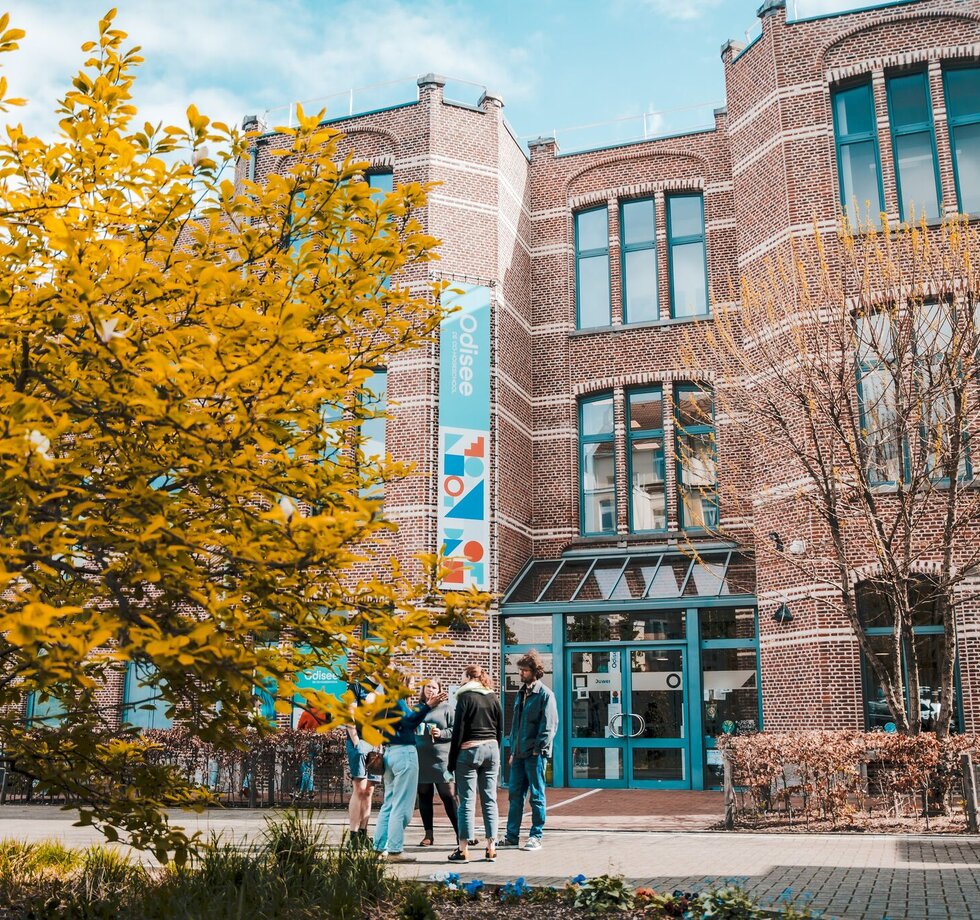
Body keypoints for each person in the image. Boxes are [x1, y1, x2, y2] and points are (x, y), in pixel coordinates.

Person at [373, 674, 447, 862]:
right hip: (404, 754)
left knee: (389, 803)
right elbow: (409, 722)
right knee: (402, 805)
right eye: (413, 684)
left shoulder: (385, 702)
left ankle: (379, 847)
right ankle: (395, 850)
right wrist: (427, 706)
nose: (414, 688)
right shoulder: (397, 701)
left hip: (389, 753)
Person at [501, 649, 558, 851]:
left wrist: (537, 750)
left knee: (536, 796)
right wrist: (512, 752)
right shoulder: (520, 694)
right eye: (520, 670)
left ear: (535, 671)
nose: (521, 674)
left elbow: (549, 726)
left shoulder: (545, 695)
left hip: (535, 756)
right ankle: (511, 836)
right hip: (518, 755)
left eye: (524, 670)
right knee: (514, 796)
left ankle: (536, 836)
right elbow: (516, 726)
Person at [447, 664, 502, 863]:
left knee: (467, 802)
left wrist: (451, 762)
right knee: (490, 799)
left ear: (468, 676)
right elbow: (499, 727)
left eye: (461, 675)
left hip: (469, 750)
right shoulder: (493, 696)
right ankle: (491, 848)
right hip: (492, 749)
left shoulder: (465, 697)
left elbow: (458, 731)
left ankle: (463, 850)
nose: (460, 679)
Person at [415, 677, 459, 847]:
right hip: (422, 759)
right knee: (424, 795)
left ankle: (460, 833)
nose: (430, 690)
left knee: (448, 795)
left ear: (439, 689)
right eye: (427, 687)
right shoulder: (418, 709)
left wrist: (442, 733)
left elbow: (455, 730)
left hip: (442, 759)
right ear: (423, 689)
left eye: (434, 687)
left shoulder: (447, 709)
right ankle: (429, 835)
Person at [345, 678, 383, 843]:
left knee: (369, 791)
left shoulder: (384, 689)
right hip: (359, 742)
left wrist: (380, 744)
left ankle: (363, 834)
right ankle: (353, 836)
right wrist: (356, 741)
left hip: (376, 744)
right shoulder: (357, 685)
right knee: (359, 789)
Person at [293, 707, 325, 801]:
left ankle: (302, 792)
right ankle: (308, 791)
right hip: (319, 742)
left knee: (306, 767)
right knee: (310, 767)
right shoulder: (322, 713)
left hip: (308, 742)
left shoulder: (306, 713)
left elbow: (299, 728)